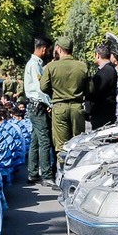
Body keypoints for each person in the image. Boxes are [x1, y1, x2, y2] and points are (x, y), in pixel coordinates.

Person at [39, 36, 87, 172]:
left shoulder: (51, 67)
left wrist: (56, 92)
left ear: (59, 49)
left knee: (61, 146)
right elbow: (89, 89)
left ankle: (63, 171)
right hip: (77, 107)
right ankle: (78, 170)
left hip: (59, 107)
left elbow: (43, 87)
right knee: (78, 143)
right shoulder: (82, 66)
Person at [88, 44, 118, 129]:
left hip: (102, 115)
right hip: (106, 113)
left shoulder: (105, 72)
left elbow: (94, 91)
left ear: (98, 55)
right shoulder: (109, 69)